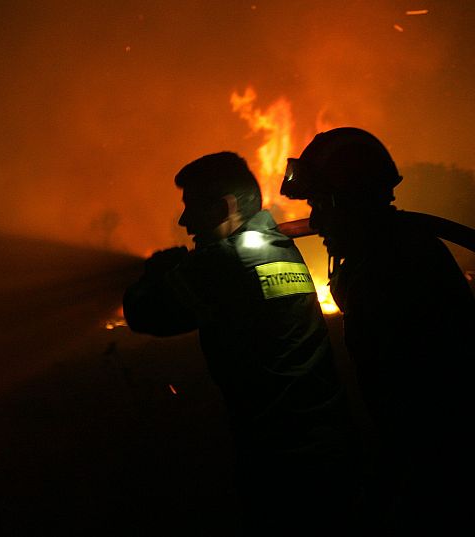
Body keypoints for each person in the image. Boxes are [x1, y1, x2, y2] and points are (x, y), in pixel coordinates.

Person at [280, 127, 475, 534]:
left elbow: (418, 407)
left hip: (453, 475)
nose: (315, 221)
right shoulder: (392, 251)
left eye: (320, 204)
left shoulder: (393, 268)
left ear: (350, 201)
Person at [122, 152, 362, 536]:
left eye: (191, 206)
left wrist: (156, 274)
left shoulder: (224, 261)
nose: (184, 222)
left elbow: (144, 314)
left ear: (223, 208)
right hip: (330, 441)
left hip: (278, 463)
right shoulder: (282, 249)